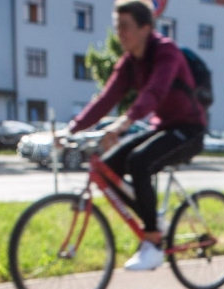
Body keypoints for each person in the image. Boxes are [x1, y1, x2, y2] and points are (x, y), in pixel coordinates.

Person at [66, 0, 207, 271]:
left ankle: (153, 242)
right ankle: (152, 219)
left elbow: (154, 92)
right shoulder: (130, 63)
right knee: (108, 166)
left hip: (189, 129)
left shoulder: (166, 51)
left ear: (145, 27)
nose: (119, 33)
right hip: (163, 126)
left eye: (125, 27)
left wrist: (125, 121)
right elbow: (106, 99)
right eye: (117, 27)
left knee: (139, 162)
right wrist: (72, 128)